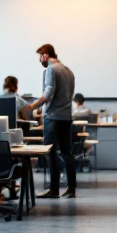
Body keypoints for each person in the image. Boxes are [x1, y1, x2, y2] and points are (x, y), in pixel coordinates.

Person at [25, 44, 77, 198]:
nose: (40, 60)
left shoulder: (50, 70)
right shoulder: (69, 71)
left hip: (53, 117)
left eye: (40, 57)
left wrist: (34, 105)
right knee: (67, 153)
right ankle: (71, 189)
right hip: (66, 117)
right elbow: (70, 94)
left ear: (45, 55)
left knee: (50, 152)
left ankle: (54, 189)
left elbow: (48, 93)